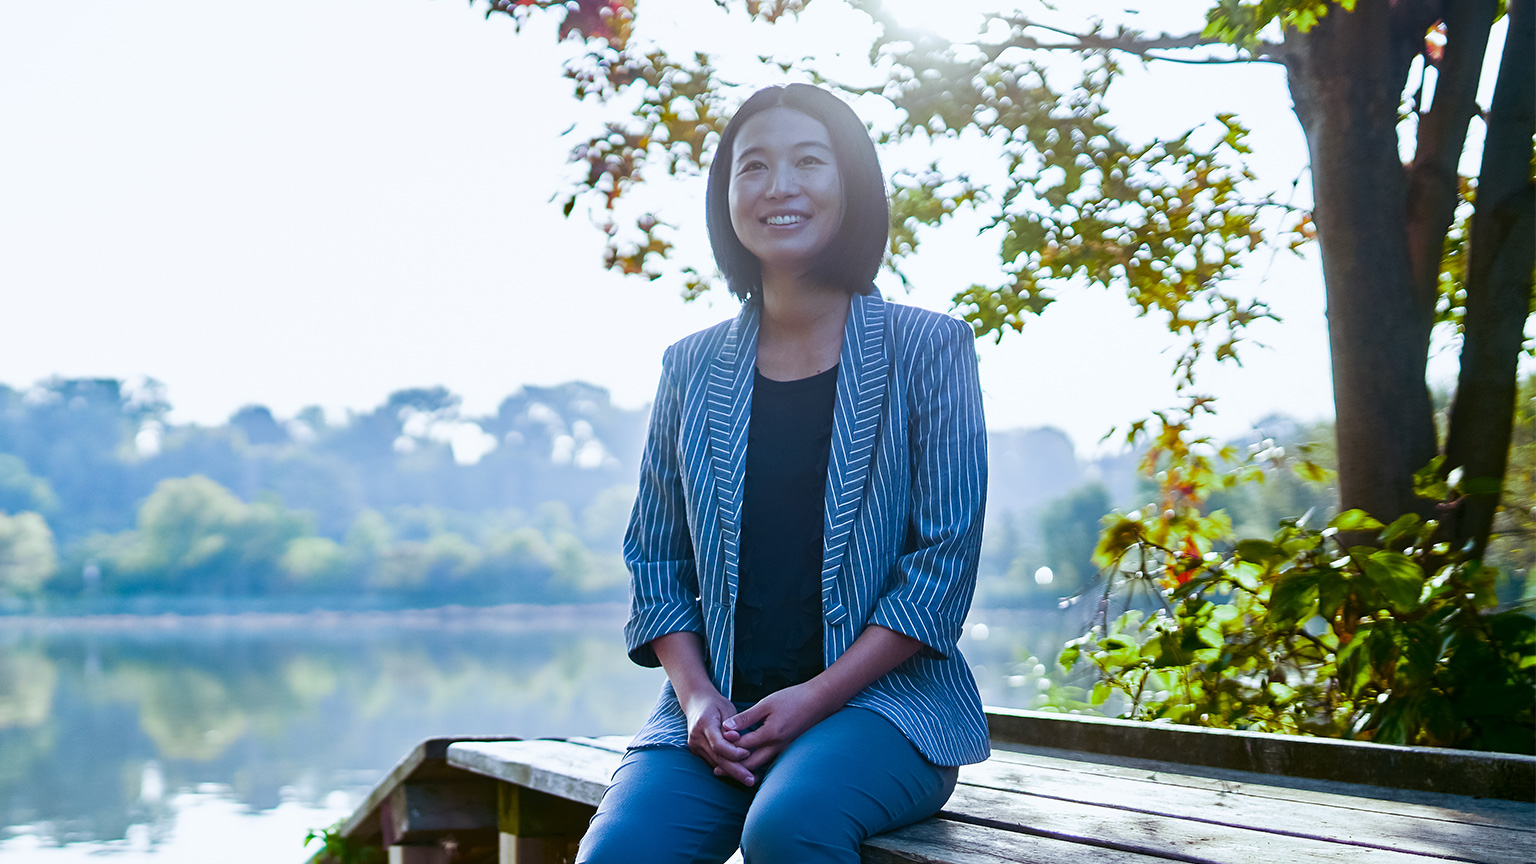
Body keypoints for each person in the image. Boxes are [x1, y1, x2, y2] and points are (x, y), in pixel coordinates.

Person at [576, 82, 989, 864]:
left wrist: (814, 700)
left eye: (808, 161)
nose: (780, 186)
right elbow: (656, 560)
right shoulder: (689, 368)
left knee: (787, 827)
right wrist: (696, 699)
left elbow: (939, 570)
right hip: (716, 716)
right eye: (752, 167)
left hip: (883, 711)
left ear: (851, 185)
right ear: (727, 195)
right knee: (615, 856)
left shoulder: (931, 349)